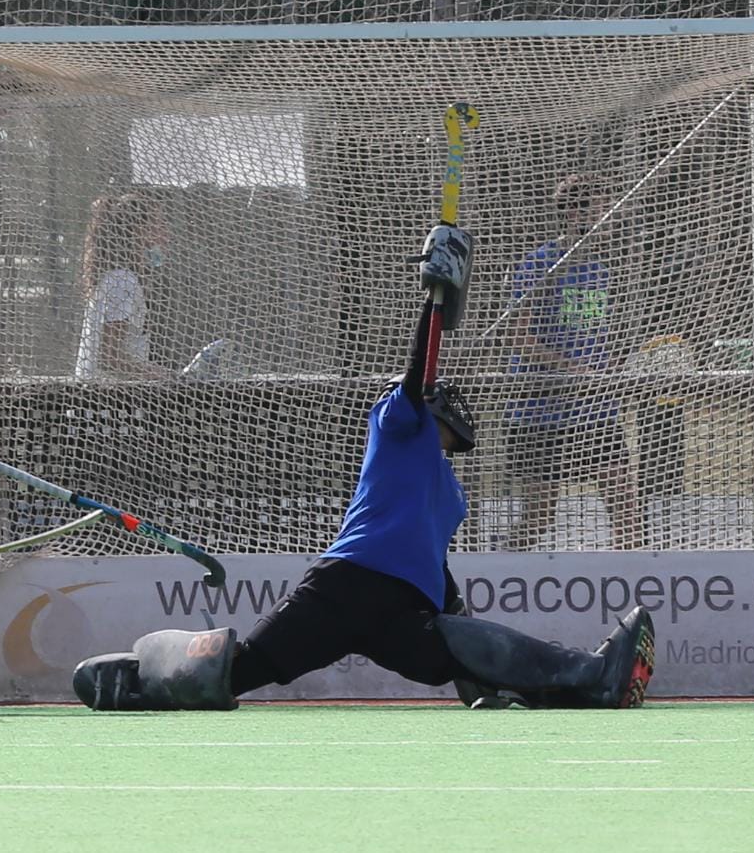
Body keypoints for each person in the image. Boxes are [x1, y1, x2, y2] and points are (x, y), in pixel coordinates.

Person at [70, 286, 656, 713]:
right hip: (347, 585)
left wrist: (463, 627)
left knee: (457, 649)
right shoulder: (400, 426)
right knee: (243, 669)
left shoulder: (448, 489)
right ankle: (139, 684)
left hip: (401, 605)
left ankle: (588, 679)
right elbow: (415, 375)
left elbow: (434, 560)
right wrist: (434, 301)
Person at [506, 173, 641, 550]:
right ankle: (495, 569)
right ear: (573, 214)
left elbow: (592, 338)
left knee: (627, 512)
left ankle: (637, 593)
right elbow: (518, 337)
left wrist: (611, 366)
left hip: (596, 411)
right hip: (540, 411)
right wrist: (571, 370)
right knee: (538, 519)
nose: (610, 217)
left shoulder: (600, 271)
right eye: (602, 208)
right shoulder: (540, 265)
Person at [74, 191, 170, 379]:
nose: (166, 235)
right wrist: (161, 375)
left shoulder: (121, 278)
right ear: (138, 231)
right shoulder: (122, 281)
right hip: (102, 403)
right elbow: (109, 357)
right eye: (159, 225)